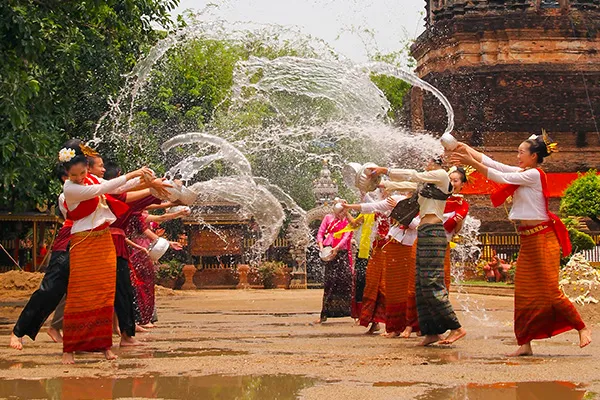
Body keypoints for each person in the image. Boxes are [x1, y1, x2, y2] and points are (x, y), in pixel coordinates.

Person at [448, 131, 592, 356]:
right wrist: (468, 150)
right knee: (523, 293)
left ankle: (581, 327)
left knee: (550, 292)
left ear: (534, 156)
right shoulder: (525, 172)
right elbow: (495, 165)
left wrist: (470, 162)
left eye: (521, 152)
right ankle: (525, 343)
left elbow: (499, 176)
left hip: (544, 238)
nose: (517, 156)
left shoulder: (534, 174)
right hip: (528, 239)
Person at [58, 139, 150, 364]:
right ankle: (69, 349)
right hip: (83, 243)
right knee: (81, 294)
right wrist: (131, 175)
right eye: (74, 174)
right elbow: (103, 188)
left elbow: (117, 188)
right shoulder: (70, 188)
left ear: (86, 168)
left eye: (82, 172)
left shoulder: (89, 178)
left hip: (103, 241)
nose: (79, 177)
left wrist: (143, 178)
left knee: (105, 293)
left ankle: (104, 345)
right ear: (67, 174)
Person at [372, 157, 467, 346]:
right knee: (421, 284)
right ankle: (431, 332)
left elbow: (412, 174)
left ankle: (456, 327)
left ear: (437, 164)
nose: (426, 164)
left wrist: (386, 169)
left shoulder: (441, 176)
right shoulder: (426, 184)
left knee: (431, 282)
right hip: (423, 232)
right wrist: (379, 182)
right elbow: (409, 182)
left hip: (434, 232)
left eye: (429, 161)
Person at [9, 166, 71, 350]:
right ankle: (19, 331)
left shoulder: (95, 186)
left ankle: (91, 339)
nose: (100, 171)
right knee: (50, 290)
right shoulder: (69, 193)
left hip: (92, 244)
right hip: (68, 245)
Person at [343, 191, 419, 337]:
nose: (384, 190)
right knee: (372, 284)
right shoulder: (388, 203)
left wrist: (398, 209)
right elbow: (371, 205)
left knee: (389, 287)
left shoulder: (412, 204)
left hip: (398, 248)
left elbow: (415, 225)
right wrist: (349, 205)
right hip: (379, 248)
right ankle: (377, 322)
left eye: (385, 187)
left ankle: (397, 325)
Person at [315, 202, 353, 323]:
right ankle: (324, 314)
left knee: (347, 282)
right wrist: (321, 246)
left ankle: (353, 313)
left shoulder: (348, 220)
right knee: (329, 282)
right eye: (338, 213)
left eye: (342, 212)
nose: (340, 215)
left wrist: (337, 248)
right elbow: (320, 233)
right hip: (329, 251)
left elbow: (346, 236)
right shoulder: (328, 218)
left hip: (341, 252)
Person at [442, 167, 471, 290]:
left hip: (443, 241)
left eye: (456, 181)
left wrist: (458, 222)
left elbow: (456, 230)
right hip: (426, 239)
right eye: (450, 180)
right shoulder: (437, 198)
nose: (452, 184)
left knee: (442, 276)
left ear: (462, 184)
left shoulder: (462, 205)